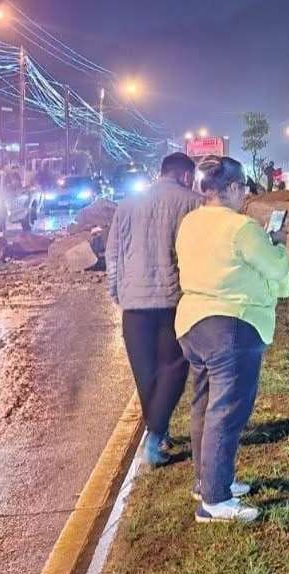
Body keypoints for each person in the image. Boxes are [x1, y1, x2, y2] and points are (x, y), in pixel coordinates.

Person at [175, 157, 289, 523]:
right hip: (232, 325)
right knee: (226, 412)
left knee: (204, 405)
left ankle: (208, 480)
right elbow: (274, 268)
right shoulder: (242, 228)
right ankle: (215, 501)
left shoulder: (190, 222)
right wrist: (278, 244)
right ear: (227, 189)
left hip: (193, 324)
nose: (244, 192)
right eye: (241, 186)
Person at [105, 153, 203, 467]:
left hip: (133, 303)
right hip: (172, 299)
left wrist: (116, 291)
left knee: (145, 372)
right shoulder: (193, 203)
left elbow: (113, 253)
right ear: (187, 176)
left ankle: (157, 432)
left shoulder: (127, 204)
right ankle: (156, 434)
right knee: (173, 367)